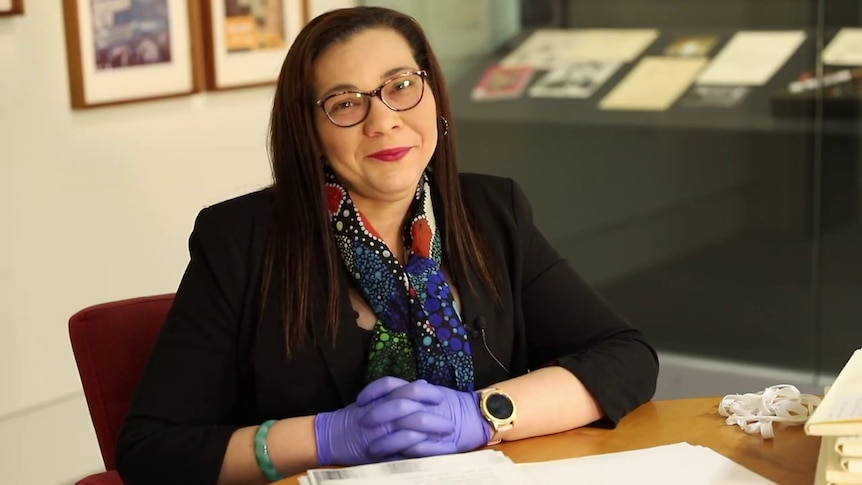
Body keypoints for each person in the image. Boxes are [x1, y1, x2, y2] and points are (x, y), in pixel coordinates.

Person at [115, 6, 659, 485]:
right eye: (345, 103)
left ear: (433, 95)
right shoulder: (239, 240)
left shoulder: (492, 211)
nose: (384, 121)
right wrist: (327, 438)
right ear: (310, 131)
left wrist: (483, 414)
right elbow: (152, 452)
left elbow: (626, 357)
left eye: (401, 86)